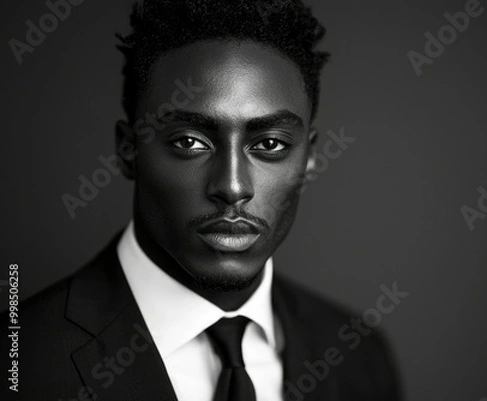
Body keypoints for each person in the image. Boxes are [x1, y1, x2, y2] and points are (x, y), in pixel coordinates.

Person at [3, 1, 401, 400]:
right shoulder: (18, 363)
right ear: (128, 149)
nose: (231, 187)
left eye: (270, 144)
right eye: (190, 142)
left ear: (309, 157)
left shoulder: (360, 358)